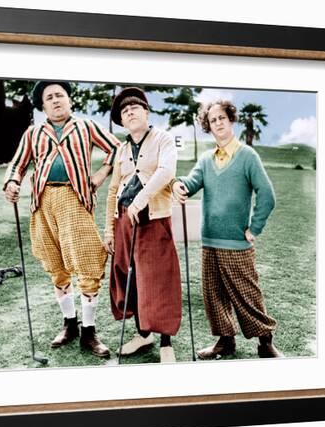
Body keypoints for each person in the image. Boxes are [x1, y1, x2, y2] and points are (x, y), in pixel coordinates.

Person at [3, 80, 121, 358]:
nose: (56, 100)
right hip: (42, 203)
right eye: (49, 97)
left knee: (88, 262)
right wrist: (12, 182)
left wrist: (101, 175)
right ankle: (70, 325)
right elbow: (18, 163)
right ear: (42, 106)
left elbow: (117, 149)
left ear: (69, 100)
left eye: (60, 95)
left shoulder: (86, 126)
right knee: (55, 265)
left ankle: (89, 331)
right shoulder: (33, 132)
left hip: (75, 199)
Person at [172, 100, 283, 359]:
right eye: (213, 120)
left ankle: (265, 341)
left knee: (247, 293)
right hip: (210, 240)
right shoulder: (205, 159)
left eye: (222, 117)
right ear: (208, 126)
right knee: (213, 294)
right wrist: (179, 184)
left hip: (236, 242)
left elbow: (267, 195)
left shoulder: (247, 156)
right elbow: (192, 181)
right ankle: (225, 341)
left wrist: (254, 227)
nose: (218, 123)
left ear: (231, 120)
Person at [104, 87, 182, 363]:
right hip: (125, 219)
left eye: (135, 108)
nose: (130, 113)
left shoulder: (163, 139)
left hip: (154, 217)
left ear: (146, 112)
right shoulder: (121, 149)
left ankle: (165, 342)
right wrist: (109, 230)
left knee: (158, 277)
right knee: (129, 276)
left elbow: (166, 171)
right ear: (122, 122)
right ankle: (142, 333)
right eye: (124, 112)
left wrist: (140, 200)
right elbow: (113, 191)